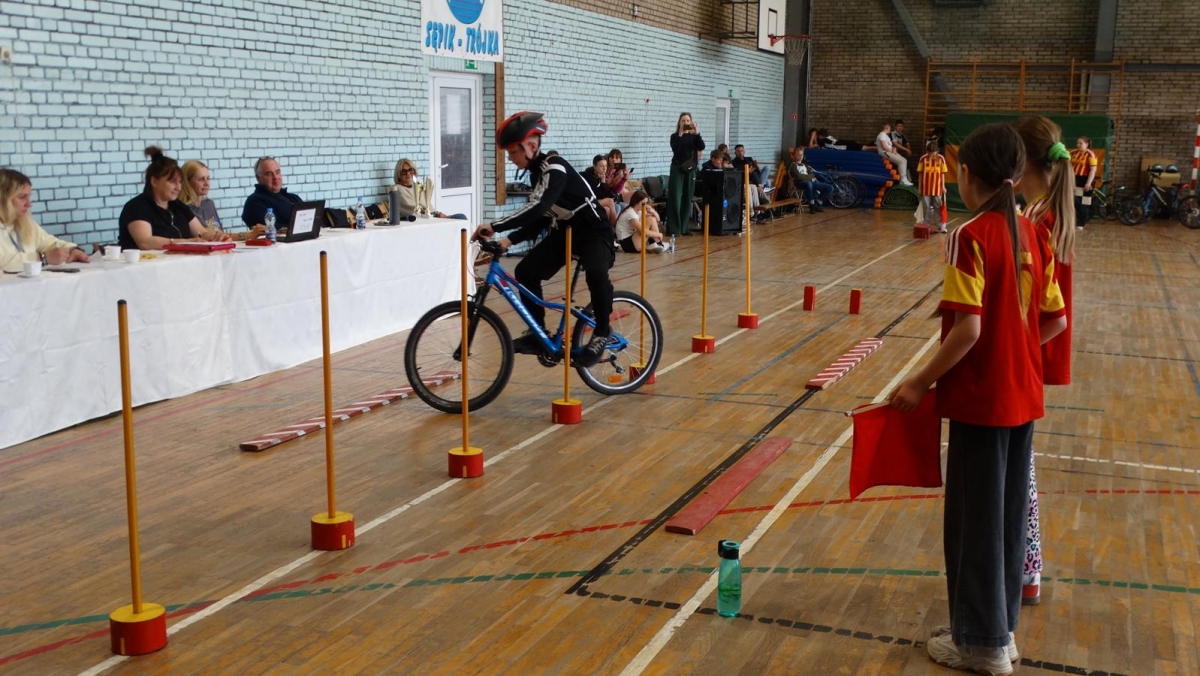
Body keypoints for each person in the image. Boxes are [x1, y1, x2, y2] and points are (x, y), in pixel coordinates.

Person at [889, 123, 1066, 676]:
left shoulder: (970, 235)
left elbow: (967, 330)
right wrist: (1015, 355)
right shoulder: (1032, 232)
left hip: (981, 404)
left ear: (966, 175)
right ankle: (998, 633)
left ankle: (983, 647)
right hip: (1022, 399)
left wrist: (919, 381)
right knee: (1006, 518)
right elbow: (1055, 321)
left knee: (975, 525)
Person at [472, 111, 615, 367]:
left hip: (595, 230)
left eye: (512, 152)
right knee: (526, 272)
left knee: (595, 272)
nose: (510, 158)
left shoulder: (555, 167)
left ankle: (603, 331)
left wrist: (495, 226)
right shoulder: (537, 175)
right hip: (569, 231)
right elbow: (541, 219)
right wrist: (508, 241)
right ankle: (537, 334)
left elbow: (539, 207)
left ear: (531, 146)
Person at [1012, 115, 1077, 607]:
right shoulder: (1040, 210)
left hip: (1028, 356)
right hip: (1029, 354)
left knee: (1021, 476)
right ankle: (1026, 570)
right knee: (1021, 470)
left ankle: (1028, 568)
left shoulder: (1042, 220)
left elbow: (1052, 315)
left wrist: (1015, 353)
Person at [119, 146, 230, 250]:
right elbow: (145, 242)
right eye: (173, 182)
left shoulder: (178, 205)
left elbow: (202, 233)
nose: (178, 188)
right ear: (154, 181)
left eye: (180, 182)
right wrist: (184, 242)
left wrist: (217, 236)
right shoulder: (136, 207)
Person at [0, 168, 90, 270]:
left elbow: (49, 243)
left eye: (28, 197)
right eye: (22, 197)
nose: (29, 204)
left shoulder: (24, 222)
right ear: (2, 198)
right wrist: (42, 258)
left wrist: (72, 250)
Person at [180, 160, 265, 241]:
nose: (206, 183)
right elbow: (210, 236)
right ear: (187, 182)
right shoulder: (184, 208)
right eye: (201, 179)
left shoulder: (208, 203)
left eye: (208, 178)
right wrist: (247, 235)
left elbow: (221, 234)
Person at [666, 112, 705, 236]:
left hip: (690, 168)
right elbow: (676, 149)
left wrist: (697, 133)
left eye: (688, 121)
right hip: (677, 168)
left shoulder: (694, 137)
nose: (685, 123)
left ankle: (684, 228)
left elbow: (702, 146)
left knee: (688, 197)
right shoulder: (674, 136)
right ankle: (674, 229)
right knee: (675, 197)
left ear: (691, 122)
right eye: (683, 120)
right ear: (679, 123)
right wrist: (680, 134)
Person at [242, 156, 303, 231]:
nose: (275, 177)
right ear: (258, 178)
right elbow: (268, 229)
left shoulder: (294, 198)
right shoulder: (254, 202)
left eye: (277, 172)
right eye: (269, 174)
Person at [391, 159, 463, 219]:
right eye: (404, 171)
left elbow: (429, 207)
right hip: (422, 219)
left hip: (433, 216)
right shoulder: (397, 189)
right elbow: (411, 209)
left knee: (461, 217)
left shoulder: (418, 187)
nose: (408, 173)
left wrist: (438, 213)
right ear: (398, 174)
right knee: (460, 218)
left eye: (411, 170)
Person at [916, 141, 949, 232]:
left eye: (933, 152)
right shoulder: (923, 158)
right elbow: (920, 174)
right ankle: (926, 225)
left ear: (937, 151)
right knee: (926, 207)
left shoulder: (941, 159)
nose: (931, 154)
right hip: (925, 188)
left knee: (938, 206)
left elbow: (942, 173)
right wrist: (920, 187)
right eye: (929, 152)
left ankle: (940, 225)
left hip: (937, 188)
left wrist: (943, 186)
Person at [788, 147, 832, 212]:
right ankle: (812, 205)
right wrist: (809, 178)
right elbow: (799, 176)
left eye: (802, 154)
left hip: (810, 182)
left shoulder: (805, 165)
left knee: (830, 187)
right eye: (798, 154)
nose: (800, 156)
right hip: (800, 183)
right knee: (809, 184)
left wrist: (808, 177)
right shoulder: (793, 165)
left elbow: (812, 174)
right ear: (795, 155)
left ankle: (817, 203)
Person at [581, 155, 619, 227]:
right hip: (586, 202)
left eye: (606, 166)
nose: (604, 169)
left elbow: (603, 194)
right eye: (601, 166)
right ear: (594, 166)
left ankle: (608, 229)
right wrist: (603, 182)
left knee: (607, 209)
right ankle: (615, 227)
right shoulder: (589, 177)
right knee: (610, 201)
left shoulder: (600, 175)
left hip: (595, 200)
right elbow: (599, 195)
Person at [1069, 136, 1098, 231]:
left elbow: (1093, 170)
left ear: (1087, 144)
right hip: (1074, 179)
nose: (1078, 145)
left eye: (1081, 143)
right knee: (1074, 201)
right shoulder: (1072, 153)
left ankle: (1081, 223)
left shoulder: (1091, 154)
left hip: (1085, 179)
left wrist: (1088, 183)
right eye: (1077, 143)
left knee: (1083, 202)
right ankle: (1074, 220)